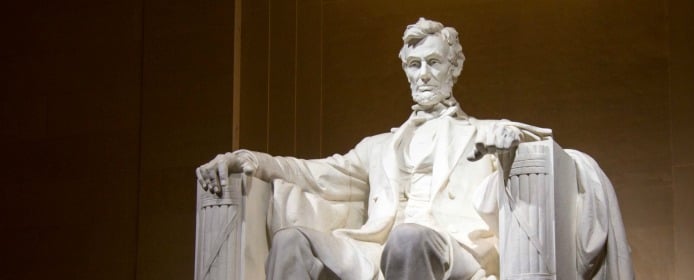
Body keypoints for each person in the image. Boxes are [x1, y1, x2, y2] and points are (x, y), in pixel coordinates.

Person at [196, 18, 633, 280]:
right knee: (292, 241)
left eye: (433, 63)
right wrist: (251, 160)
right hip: (376, 249)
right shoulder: (379, 146)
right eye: (413, 65)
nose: (422, 74)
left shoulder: (483, 130)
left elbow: (536, 143)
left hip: (453, 249)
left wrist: (508, 150)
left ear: (454, 67)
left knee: (408, 240)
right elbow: (314, 173)